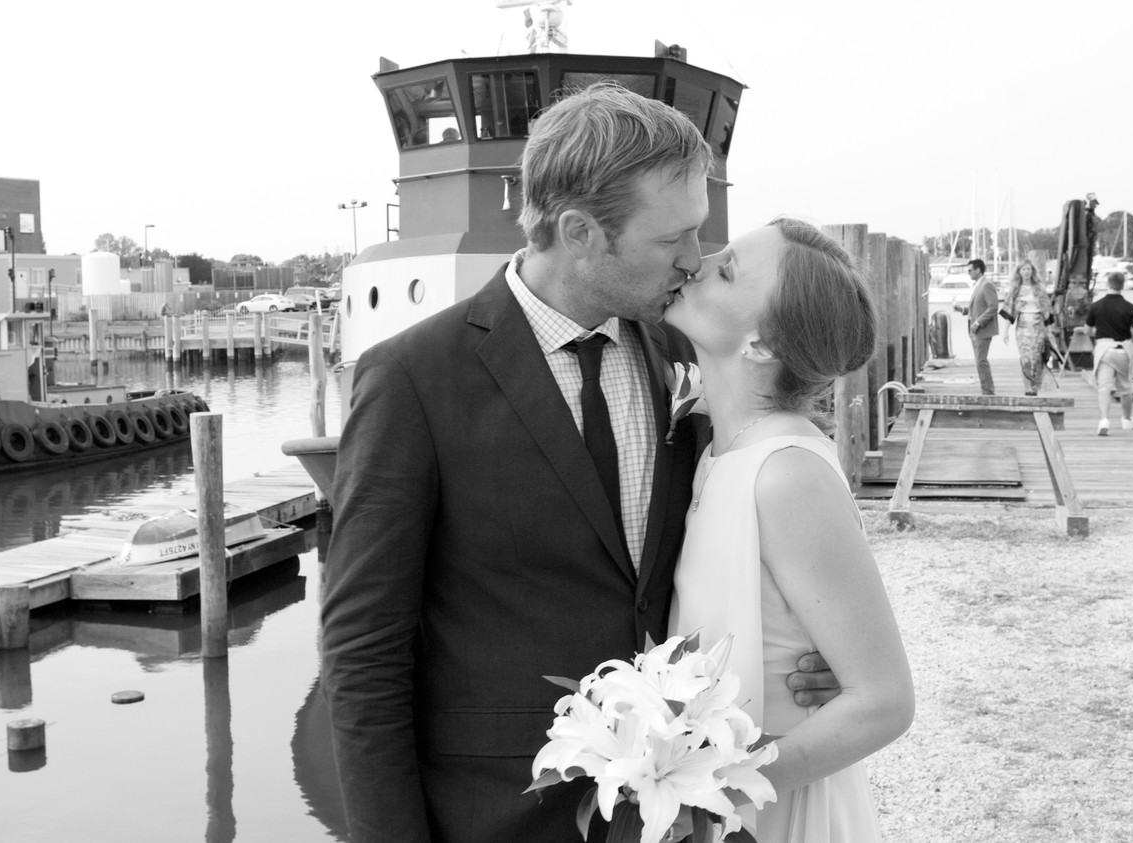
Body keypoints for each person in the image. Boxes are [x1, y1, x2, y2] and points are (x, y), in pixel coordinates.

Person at [320, 83, 838, 843]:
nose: (695, 261)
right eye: (673, 240)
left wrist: (806, 645)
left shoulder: (685, 352)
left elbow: (746, 524)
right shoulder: (412, 379)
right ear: (580, 231)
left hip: (676, 810)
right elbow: (363, 653)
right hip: (496, 814)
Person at [667, 219, 914, 843]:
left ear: (760, 345)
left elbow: (883, 700)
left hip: (768, 806)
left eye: (726, 268)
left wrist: (721, 780)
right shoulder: (720, 446)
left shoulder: (784, 474)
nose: (697, 260)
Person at [1085, 271, 1133, 435]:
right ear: (1122, 285)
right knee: (1125, 387)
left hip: (1104, 349)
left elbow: (1087, 330)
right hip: (1123, 350)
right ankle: (1126, 419)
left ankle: (1104, 420)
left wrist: (1098, 330)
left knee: (1104, 387)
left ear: (1108, 284)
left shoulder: (1096, 306)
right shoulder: (1130, 307)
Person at [1003, 259, 1051, 396]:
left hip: (1037, 324)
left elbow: (1047, 311)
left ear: (1032, 271)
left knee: (1036, 356)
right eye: (1023, 269)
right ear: (1019, 272)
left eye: (1028, 269)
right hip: (1022, 325)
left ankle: (1035, 387)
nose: (1026, 272)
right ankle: (1027, 388)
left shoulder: (1039, 288)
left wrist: (1049, 329)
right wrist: (1005, 331)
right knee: (1025, 358)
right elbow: (1010, 311)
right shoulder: (1015, 290)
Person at [963, 258, 998, 395]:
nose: (968, 273)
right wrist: (963, 310)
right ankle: (987, 390)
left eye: (970, 270)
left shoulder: (986, 285)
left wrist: (977, 323)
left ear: (978, 270)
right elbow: (978, 307)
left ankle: (988, 392)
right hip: (975, 331)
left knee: (981, 361)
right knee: (980, 361)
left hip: (982, 330)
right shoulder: (979, 285)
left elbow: (993, 307)